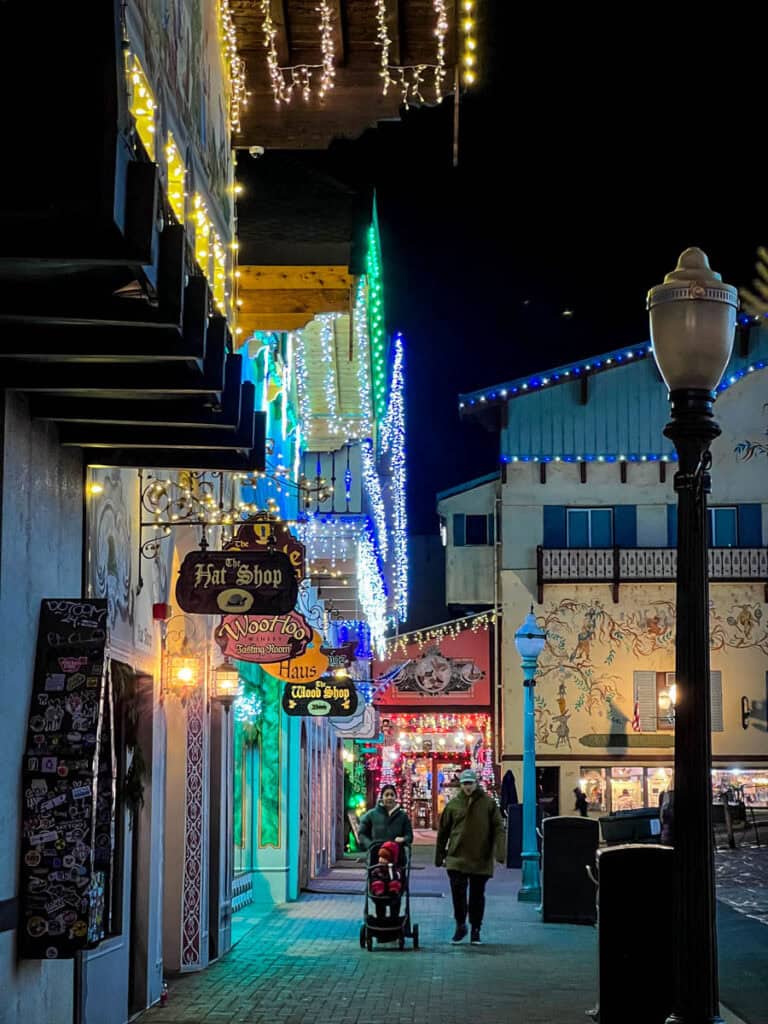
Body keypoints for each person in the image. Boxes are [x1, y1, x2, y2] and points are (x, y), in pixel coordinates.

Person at [435, 767, 505, 945]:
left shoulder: (488, 804)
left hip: (480, 857)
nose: (467, 787)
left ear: (476, 783)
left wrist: (500, 852)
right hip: (456, 857)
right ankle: (460, 924)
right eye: (464, 783)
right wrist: (440, 855)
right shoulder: (453, 805)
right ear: (460, 784)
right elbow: (443, 832)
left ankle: (475, 929)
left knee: (476, 896)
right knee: (458, 894)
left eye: (470, 783)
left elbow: (498, 828)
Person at [358, 785, 414, 852]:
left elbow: (409, 836)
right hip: (376, 854)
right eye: (386, 795)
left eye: (392, 795)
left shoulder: (403, 816)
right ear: (382, 797)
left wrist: (403, 839)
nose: (389, 797)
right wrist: (370, 846)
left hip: (397, 855)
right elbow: (361, 834)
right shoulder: (371, 815)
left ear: (395, 797)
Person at [369, 840, 403, 920]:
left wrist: (392, 871)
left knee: (395, 883)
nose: (381, 860)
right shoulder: (377, 869)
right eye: (380, 857)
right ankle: (380, 918)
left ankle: (394, 918)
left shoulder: (394, 869)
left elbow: (397, 876)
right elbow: (374, 876)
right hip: (380, 889)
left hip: (391, 887)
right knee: (377, 884)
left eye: (384, 858)